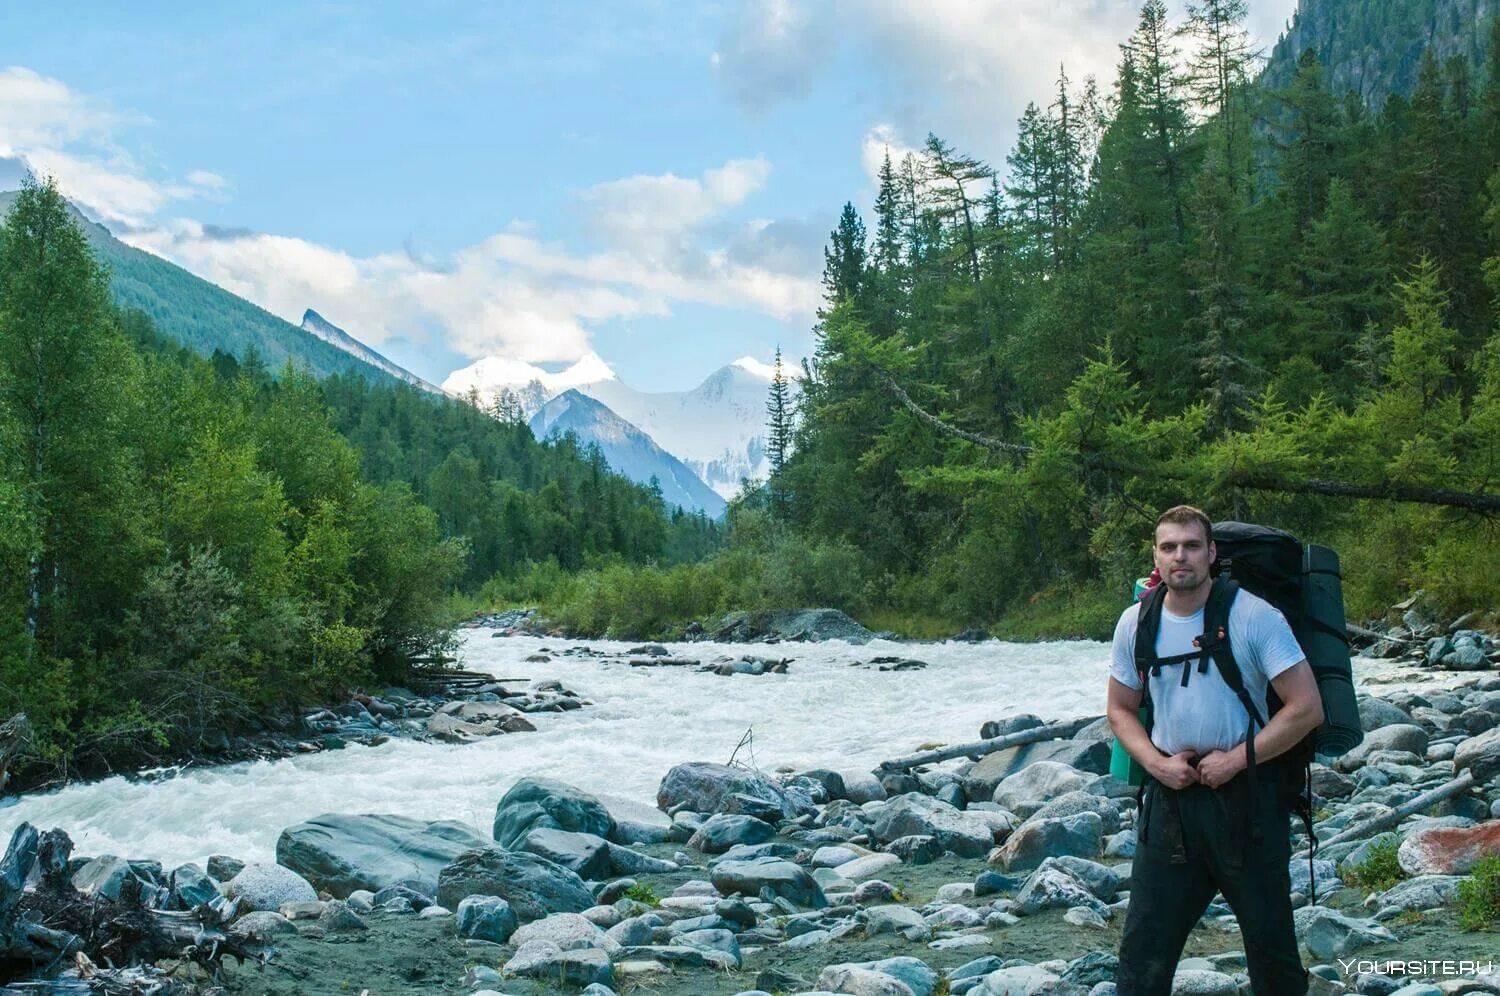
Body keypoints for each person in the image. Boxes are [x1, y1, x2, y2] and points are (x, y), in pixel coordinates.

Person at [1107, 505, 1324, 995]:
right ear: (1156, 558)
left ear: (1211, 553)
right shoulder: (1135, 623)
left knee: (1272, 958)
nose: (1179, 556)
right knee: (1142, 958)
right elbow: (1120, 708)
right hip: (1169, 808)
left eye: (1190, 546)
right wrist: (1155, 763)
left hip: (1248, 803)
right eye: (1169, 547)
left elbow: (1306, 707)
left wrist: (1236, 758)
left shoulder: (1253, 615)